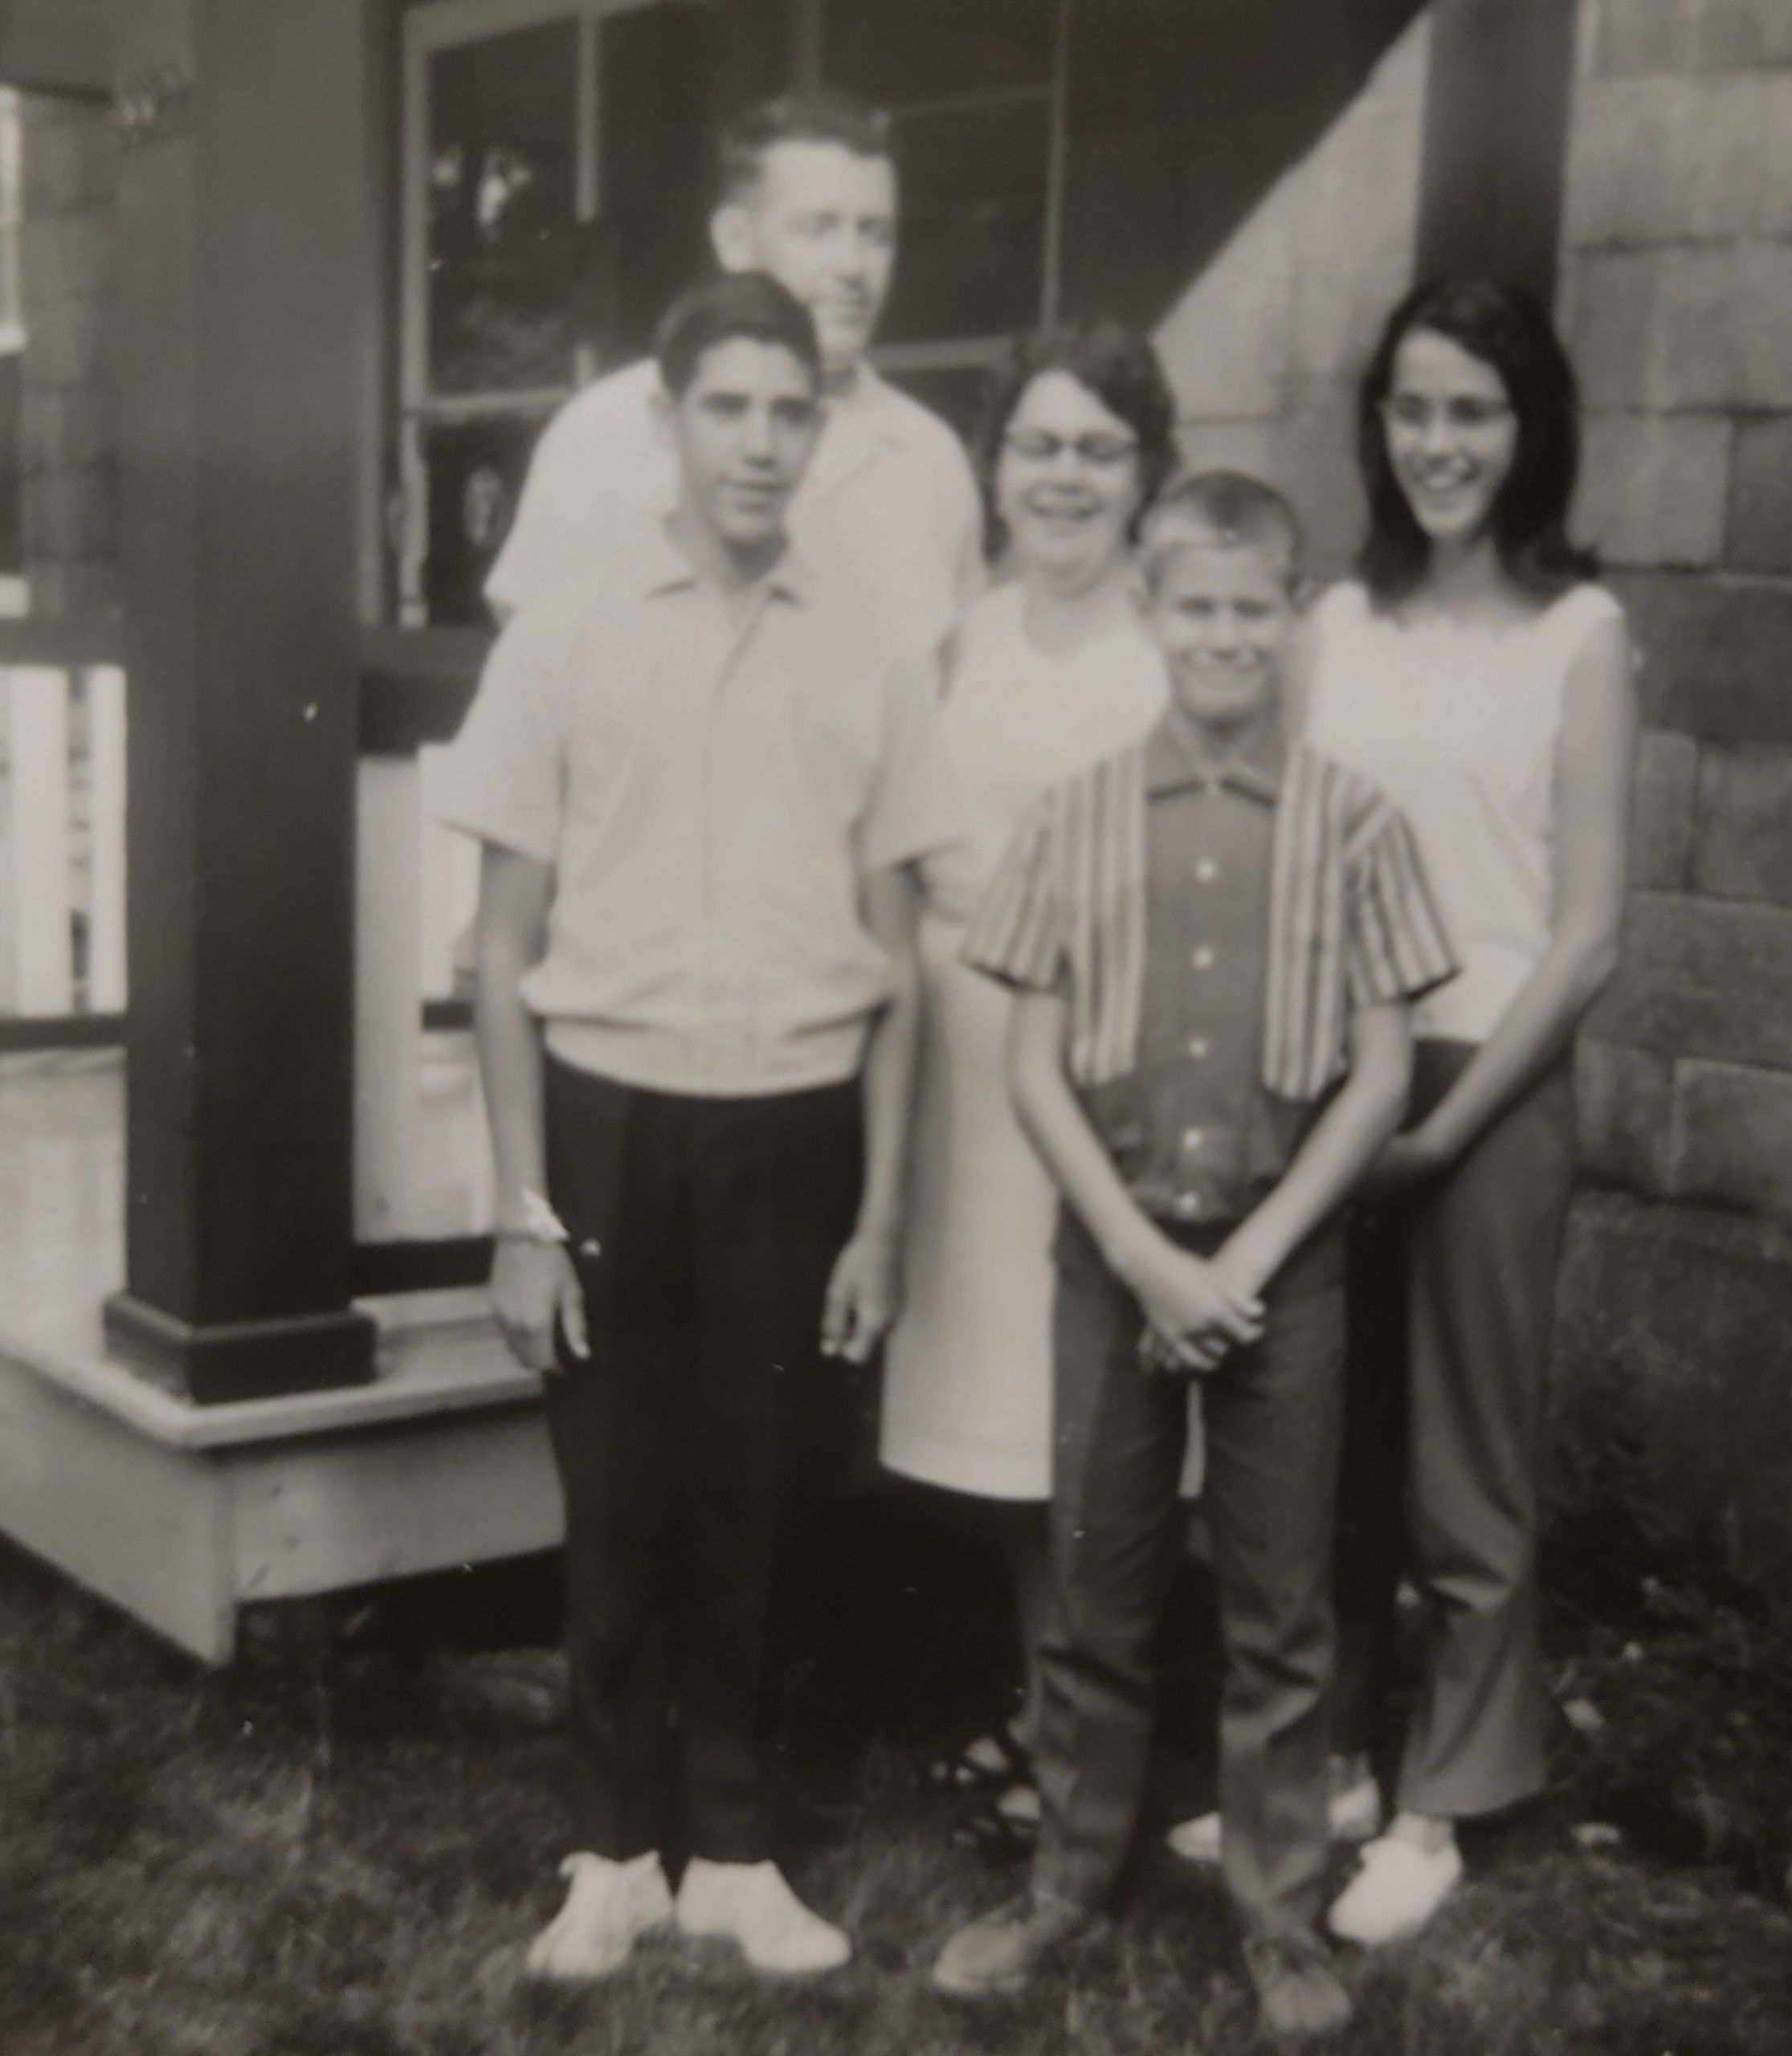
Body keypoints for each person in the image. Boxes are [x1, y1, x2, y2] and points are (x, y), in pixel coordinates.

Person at [436, 272, 961, 1985]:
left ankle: (730, 1845)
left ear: (818, 425)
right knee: (619, 1490)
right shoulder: (567, 631)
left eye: (784, 408)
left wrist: (881, 1214)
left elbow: (898, 963)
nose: (754, 440)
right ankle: (609, 1847)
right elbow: (497, 950)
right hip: (606, 1120)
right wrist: (520, 1206)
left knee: (761, 1487)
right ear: (662, 423)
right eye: (722, 406)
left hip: (792, 1122)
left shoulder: (868, 646)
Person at [930, 474, 1456, 2041]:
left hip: (1281, 1266)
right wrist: (1143, 1259)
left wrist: (1255, 1253)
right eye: (1195, 605)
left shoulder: (1353, 821)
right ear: (1149, 615)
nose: (1223, 633)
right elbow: (1027, 1065)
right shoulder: (1076, 810)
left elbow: (1378, 1071)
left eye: (1252, 606)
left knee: (1279, 1602)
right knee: (1095, 1586)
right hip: (1111, 1255)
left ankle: (1279, 1912)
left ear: (1291, 618)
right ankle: (1064, 1882)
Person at [1302, 279, 1637, 1948]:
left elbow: (1582, 934)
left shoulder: (1578, 635)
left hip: (1486, 1071)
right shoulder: (1333, 621)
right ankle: (1339, 1764)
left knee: (1461, 1459)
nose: (1438, 444)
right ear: (1378, 422)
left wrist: (1441, 1129)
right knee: (1330, 1434)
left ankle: (1441, 1795)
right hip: (1333, 1063)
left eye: (1473, 413)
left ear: (1528, 430)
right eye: (1412, 408)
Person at [879, 322, 1179, 1846]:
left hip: (1104, 1076)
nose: (1064, 477)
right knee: (1002, 1424)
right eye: (1038, 446)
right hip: (959, 1085)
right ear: (994, 471)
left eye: (1098, 449)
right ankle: (1047, 1711)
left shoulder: (1170, 651)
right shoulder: (959, 642)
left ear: (1146, 477)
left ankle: (1102, 1745)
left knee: (1102, 1424)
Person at [484, 86, 984, 657]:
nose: (853, 267)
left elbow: (956, 697)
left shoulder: (929, 460)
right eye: (819, 228)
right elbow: (534, 680)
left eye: (875, 234)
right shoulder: (605, 431)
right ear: (735, 240)